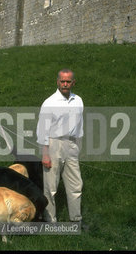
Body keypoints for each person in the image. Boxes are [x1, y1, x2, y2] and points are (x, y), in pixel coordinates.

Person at [36, 68, 84, 223]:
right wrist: (45, 154)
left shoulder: (78, 100)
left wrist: (77, 146)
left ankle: (76, 219)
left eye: (68, 81)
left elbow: (79, 124)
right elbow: (42, 130)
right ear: (57, 82)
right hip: (53, 144)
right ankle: (50, 220)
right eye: (62, 81)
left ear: (73, 82)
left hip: (72, 145)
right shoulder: (49, 102)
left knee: (76, 184)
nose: (65, 84)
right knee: (51, 186)